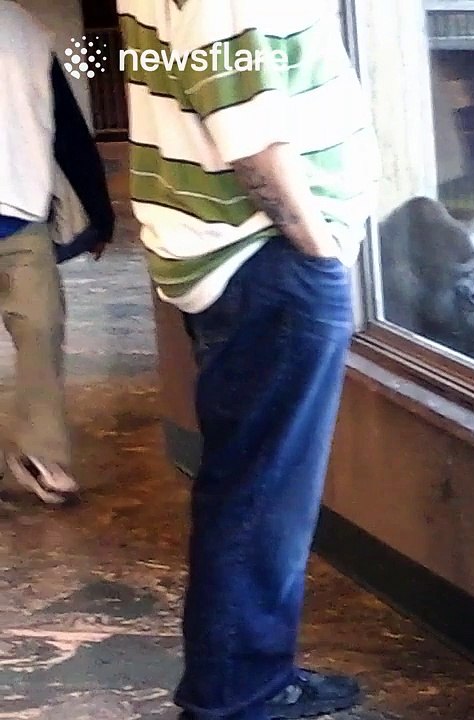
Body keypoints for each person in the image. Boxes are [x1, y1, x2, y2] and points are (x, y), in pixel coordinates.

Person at [116, 2, 379, 718]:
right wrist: (320, 255)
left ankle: (251, 679)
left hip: (229, 254)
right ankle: (236, 697)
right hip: (268, 258)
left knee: (252, 488)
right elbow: (249, 136)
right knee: (262, 497)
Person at [0, 1, 114, 506]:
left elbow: (66, 127)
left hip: (21, 215)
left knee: (42, 329)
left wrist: (100, 211)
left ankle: (37, 452)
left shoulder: (23, 28)